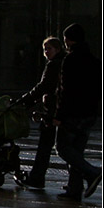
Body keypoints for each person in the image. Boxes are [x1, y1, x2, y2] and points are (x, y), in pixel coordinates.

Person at [53, 23, 101, 202]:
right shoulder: (94, 60)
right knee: (76, 152)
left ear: (68, 39)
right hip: (89, 113)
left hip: (72, 113)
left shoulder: (70, 60)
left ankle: (93, 173)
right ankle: (74, 189)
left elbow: (65, 91)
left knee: (63, 148)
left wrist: (58, 115)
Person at [19, 36, 65, 190]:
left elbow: (44, 86)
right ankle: (75, 184)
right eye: (45, 49)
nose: (46, 52)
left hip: (53, 111)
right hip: (59, 109)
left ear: (57, 49)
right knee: (64, 146)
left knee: (46, 146)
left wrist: (26, 100)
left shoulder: (54, 65)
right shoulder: (64, 62)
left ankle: (37, 177)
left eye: (49, 49)